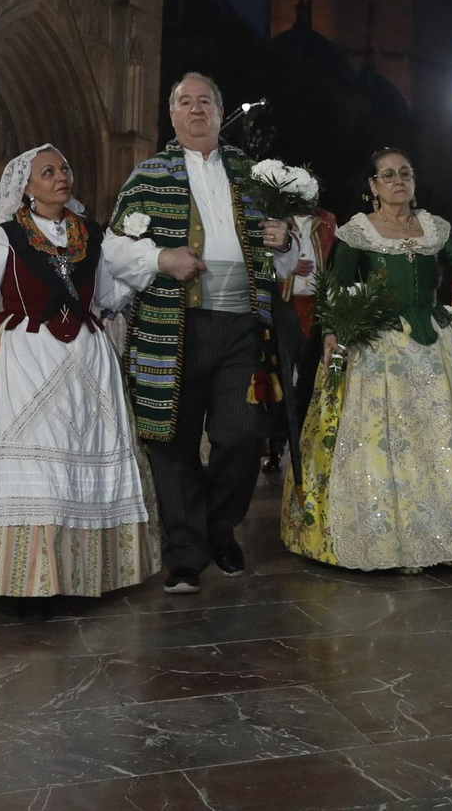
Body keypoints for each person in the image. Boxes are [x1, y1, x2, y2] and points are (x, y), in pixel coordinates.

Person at [0, 145, 163, 598]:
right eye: (47, 172)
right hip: (24, 360)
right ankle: (31, 579)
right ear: (26, 187)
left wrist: (147, 268)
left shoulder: (91, 232)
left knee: (81, 459)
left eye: (63, 169)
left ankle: (86, 572)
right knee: (37, 468)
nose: (59, 177)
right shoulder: (5, 236)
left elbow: (106, 294)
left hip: (88, 362)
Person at [104, 73, 300, 595]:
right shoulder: (147, 175)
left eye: (205, 102)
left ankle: (218, 526)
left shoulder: (252, 174)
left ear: (220, 111)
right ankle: (185, 552)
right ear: (171, 116)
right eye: (185, 103)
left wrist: (284, 242)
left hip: (242, 325)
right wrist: (161, 257)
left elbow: (285, 259)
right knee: (173, 442)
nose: (195, 111)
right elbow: (115, 248)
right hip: (172, 327)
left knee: (243, 433)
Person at [282, 148, 452, 570]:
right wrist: (334, 331)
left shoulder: (432, 227)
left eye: (405, 173)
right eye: (388, 175)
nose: (398, 181)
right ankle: (382, 534)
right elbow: (336, 288)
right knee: (386, 438)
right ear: (373, 187)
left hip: (434, 349)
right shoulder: (359, 232)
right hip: (377, 350)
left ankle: (449, 532)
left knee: (444, 436)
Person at [266, 204, 336, 478]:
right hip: (285, 307)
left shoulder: (328, 220)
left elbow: (334, 263)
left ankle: (306, 448)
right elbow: (263, 267)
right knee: (280, 381)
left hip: (317, 309)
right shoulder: (279, 221)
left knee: (308, 381)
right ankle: (274, 449)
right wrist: (289, 268)